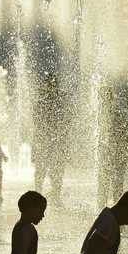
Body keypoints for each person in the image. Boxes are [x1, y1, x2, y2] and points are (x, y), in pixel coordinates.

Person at [32, 74, 72, 206]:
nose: (50, 87)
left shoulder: (57, 103)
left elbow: (66, 123)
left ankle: (54, 196)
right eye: (49, 84)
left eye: (52, 84)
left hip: (53, 142)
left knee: (54, 171)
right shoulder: (41, 103)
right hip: (47, 142)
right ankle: (43, 196)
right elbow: (37, 127)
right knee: (44, 171)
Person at [97, 86, 128, 208]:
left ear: (110, 98)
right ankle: (102, 206)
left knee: (116, 182)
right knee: (105, 181)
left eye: (105, 97)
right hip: (107, 153)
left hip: (117, 153)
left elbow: (127, 132)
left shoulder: (116, 112)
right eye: (102, 97)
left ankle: (116, 207)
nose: (103, 100)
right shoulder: (100, 114)